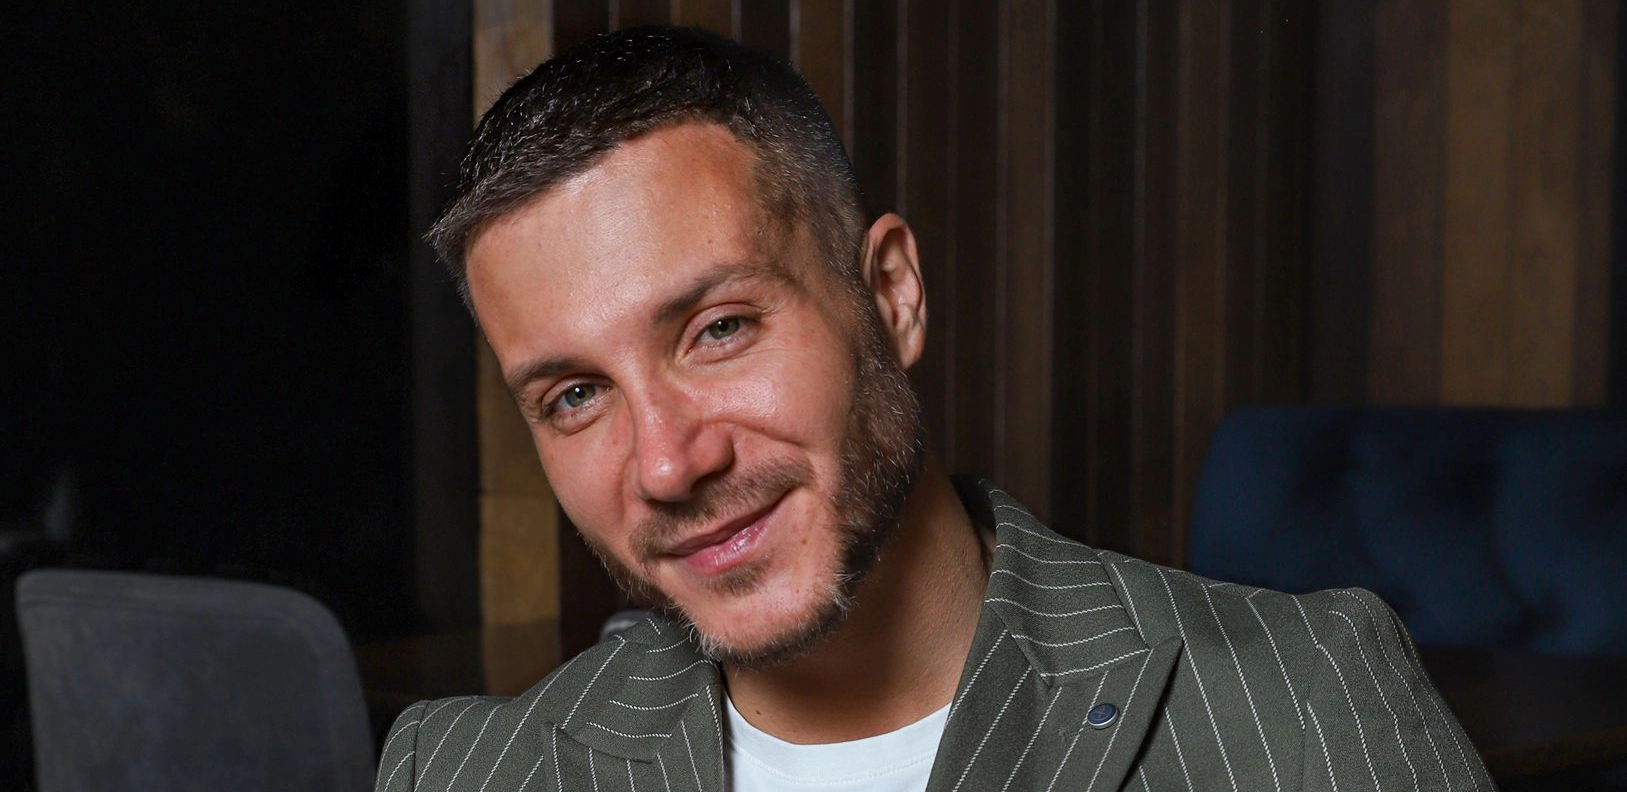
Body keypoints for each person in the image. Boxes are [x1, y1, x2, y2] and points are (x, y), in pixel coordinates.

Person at [377, 26, 1495, 792]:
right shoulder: (466, 771)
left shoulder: (1295, 702)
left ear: (891, 295)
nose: (666, 464)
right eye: (576, 395)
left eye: (718, 329)